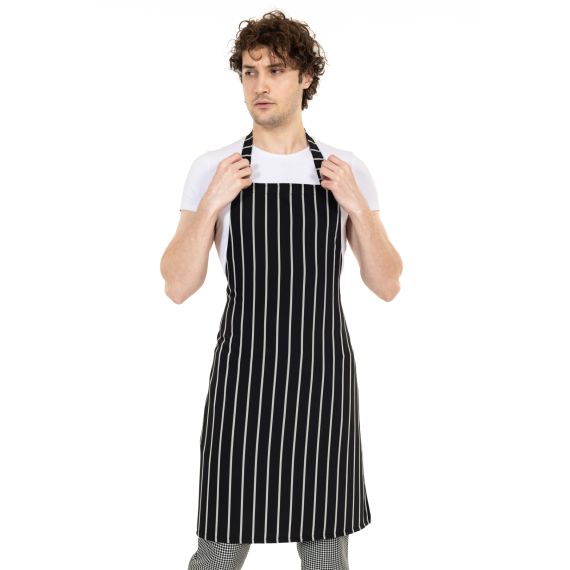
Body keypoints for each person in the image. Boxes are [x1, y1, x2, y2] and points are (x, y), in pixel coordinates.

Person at [160, 9, 403, 570]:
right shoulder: (212, 168)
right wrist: (212, 203)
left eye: (275, 70)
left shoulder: (345, 169)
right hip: (243, 381)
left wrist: (356, 207)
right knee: (220, 549)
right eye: (249, 72)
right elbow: (177, 285)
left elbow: (387, 283)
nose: (260, 85)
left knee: (325, 554)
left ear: (305, 78)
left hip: (322, 382)